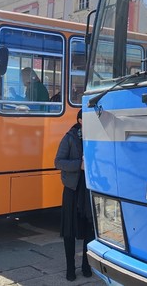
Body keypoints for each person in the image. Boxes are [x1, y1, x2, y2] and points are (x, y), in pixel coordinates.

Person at [54, 110, 93, 281]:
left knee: (90, 230)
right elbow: (58, 162)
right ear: (80, 120)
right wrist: (80, 165)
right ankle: (70, 269)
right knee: (69, 231)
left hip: (89, 189)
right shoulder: (70, 137)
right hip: (72, 190)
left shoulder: (97, 137)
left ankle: (86, 265)